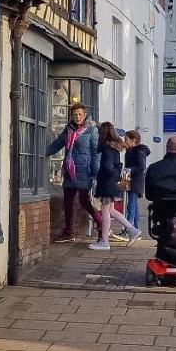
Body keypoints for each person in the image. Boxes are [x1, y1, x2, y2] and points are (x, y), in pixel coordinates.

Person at [47, 103, 100, 243]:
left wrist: (95, 172)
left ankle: (102, 226)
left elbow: (95, 153)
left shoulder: (92, 130)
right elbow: (57, 144)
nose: (77, 117)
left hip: (84, 171)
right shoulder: (68, 130)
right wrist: (43, 153)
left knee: (85, 201)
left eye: (80, 114)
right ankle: (69, 232)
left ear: (85, 115)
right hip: (70, 170)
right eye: (75, 114)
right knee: (68, 202)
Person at [90, 122, 140, 251]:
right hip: (112, 183)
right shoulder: (115, 147)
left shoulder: (106, 148)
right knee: (111, 210)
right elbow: (116, 166)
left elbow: (107, 167)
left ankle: (105, 241)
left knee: (105, 211)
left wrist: (103, 175)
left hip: (107, 183)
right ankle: (132, 230)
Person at [123, 129, 150, 233]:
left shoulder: (139, 152)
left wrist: (129, 169)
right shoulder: (130, 151)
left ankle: (130, 229)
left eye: (126, 140)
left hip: (136, 181)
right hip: (130, 180)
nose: (125, 142)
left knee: (131, 205)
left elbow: (141, 167)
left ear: (133, 140)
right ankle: (136, 227)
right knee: (134, 205)